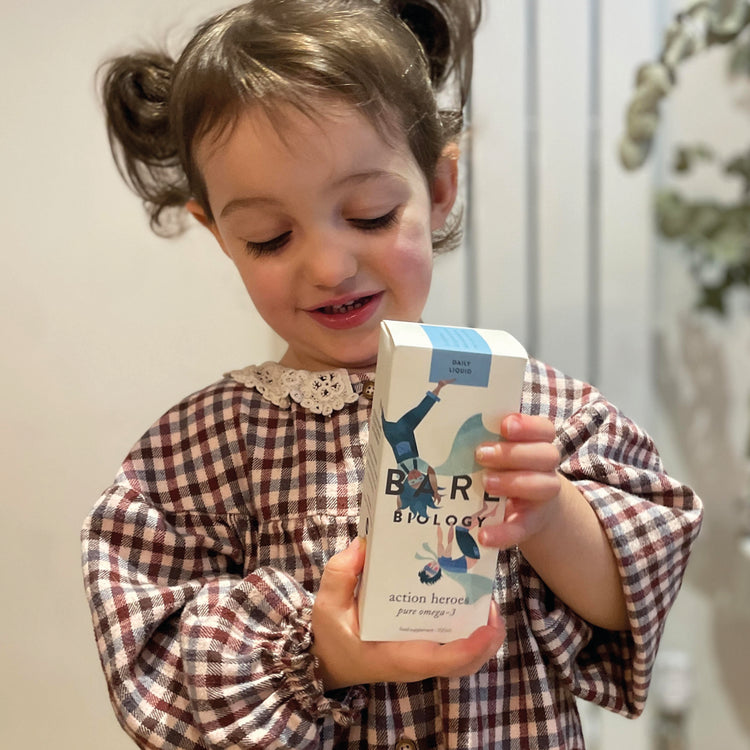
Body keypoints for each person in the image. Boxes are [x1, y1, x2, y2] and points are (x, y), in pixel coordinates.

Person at [80, 1, 703, 748]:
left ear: (439, 188)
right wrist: (320, 656)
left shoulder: (536, 409)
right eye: (269, 237)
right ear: (219, 235)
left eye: (371, 215)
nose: (329, 266)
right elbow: (156, 666)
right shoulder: (203, 451)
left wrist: (549, 517)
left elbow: (630, 593)